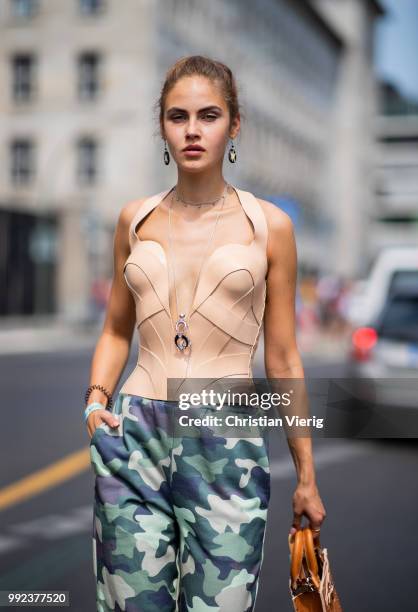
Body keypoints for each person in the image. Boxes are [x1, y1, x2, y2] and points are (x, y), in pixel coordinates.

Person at [85, 55, 326, 612]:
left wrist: (306, 477)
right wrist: (96, 403)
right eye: (177, 116)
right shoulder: (134, 220)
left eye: (209, 115)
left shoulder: (270, 226)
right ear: (162, 126)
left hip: (227, 440)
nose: (192, 130)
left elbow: (284, 359)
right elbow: (116, 330)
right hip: (135, 434)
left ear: (234, 124)